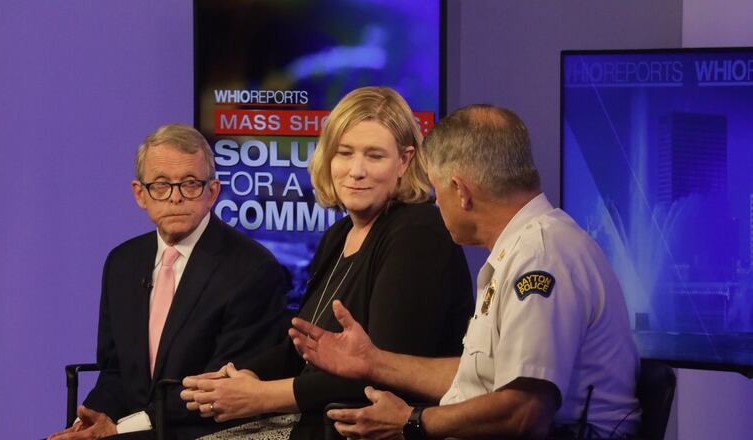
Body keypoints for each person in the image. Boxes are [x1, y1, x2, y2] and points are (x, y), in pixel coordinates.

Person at [290, 105, 641, 439]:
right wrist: (375, 364)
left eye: (437, 190)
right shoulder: (524, 246)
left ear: (460, 191)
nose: (437, 203)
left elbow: (525, 412)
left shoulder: (541, 257)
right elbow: (480, 379)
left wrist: (412, 422)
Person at [179, 86, 475, 439]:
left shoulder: (418, 232)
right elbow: (302, 347)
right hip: (312, 423)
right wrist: (243, 376)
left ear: (405, 161)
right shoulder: (338, 234)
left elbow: (379, 374)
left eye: (374, 156)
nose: (356, 170)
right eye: (344, 153)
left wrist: (260, 397)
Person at [48, 124, 290, 440]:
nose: (175, 198)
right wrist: (94, 418)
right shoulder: (122, 262)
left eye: (190, 184)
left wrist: (122, 428)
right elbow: (115, 370)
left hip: (205, 432)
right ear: (140, 194)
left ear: (212, 192)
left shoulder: (253, 270)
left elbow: (218, 391)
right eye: (161, 185)